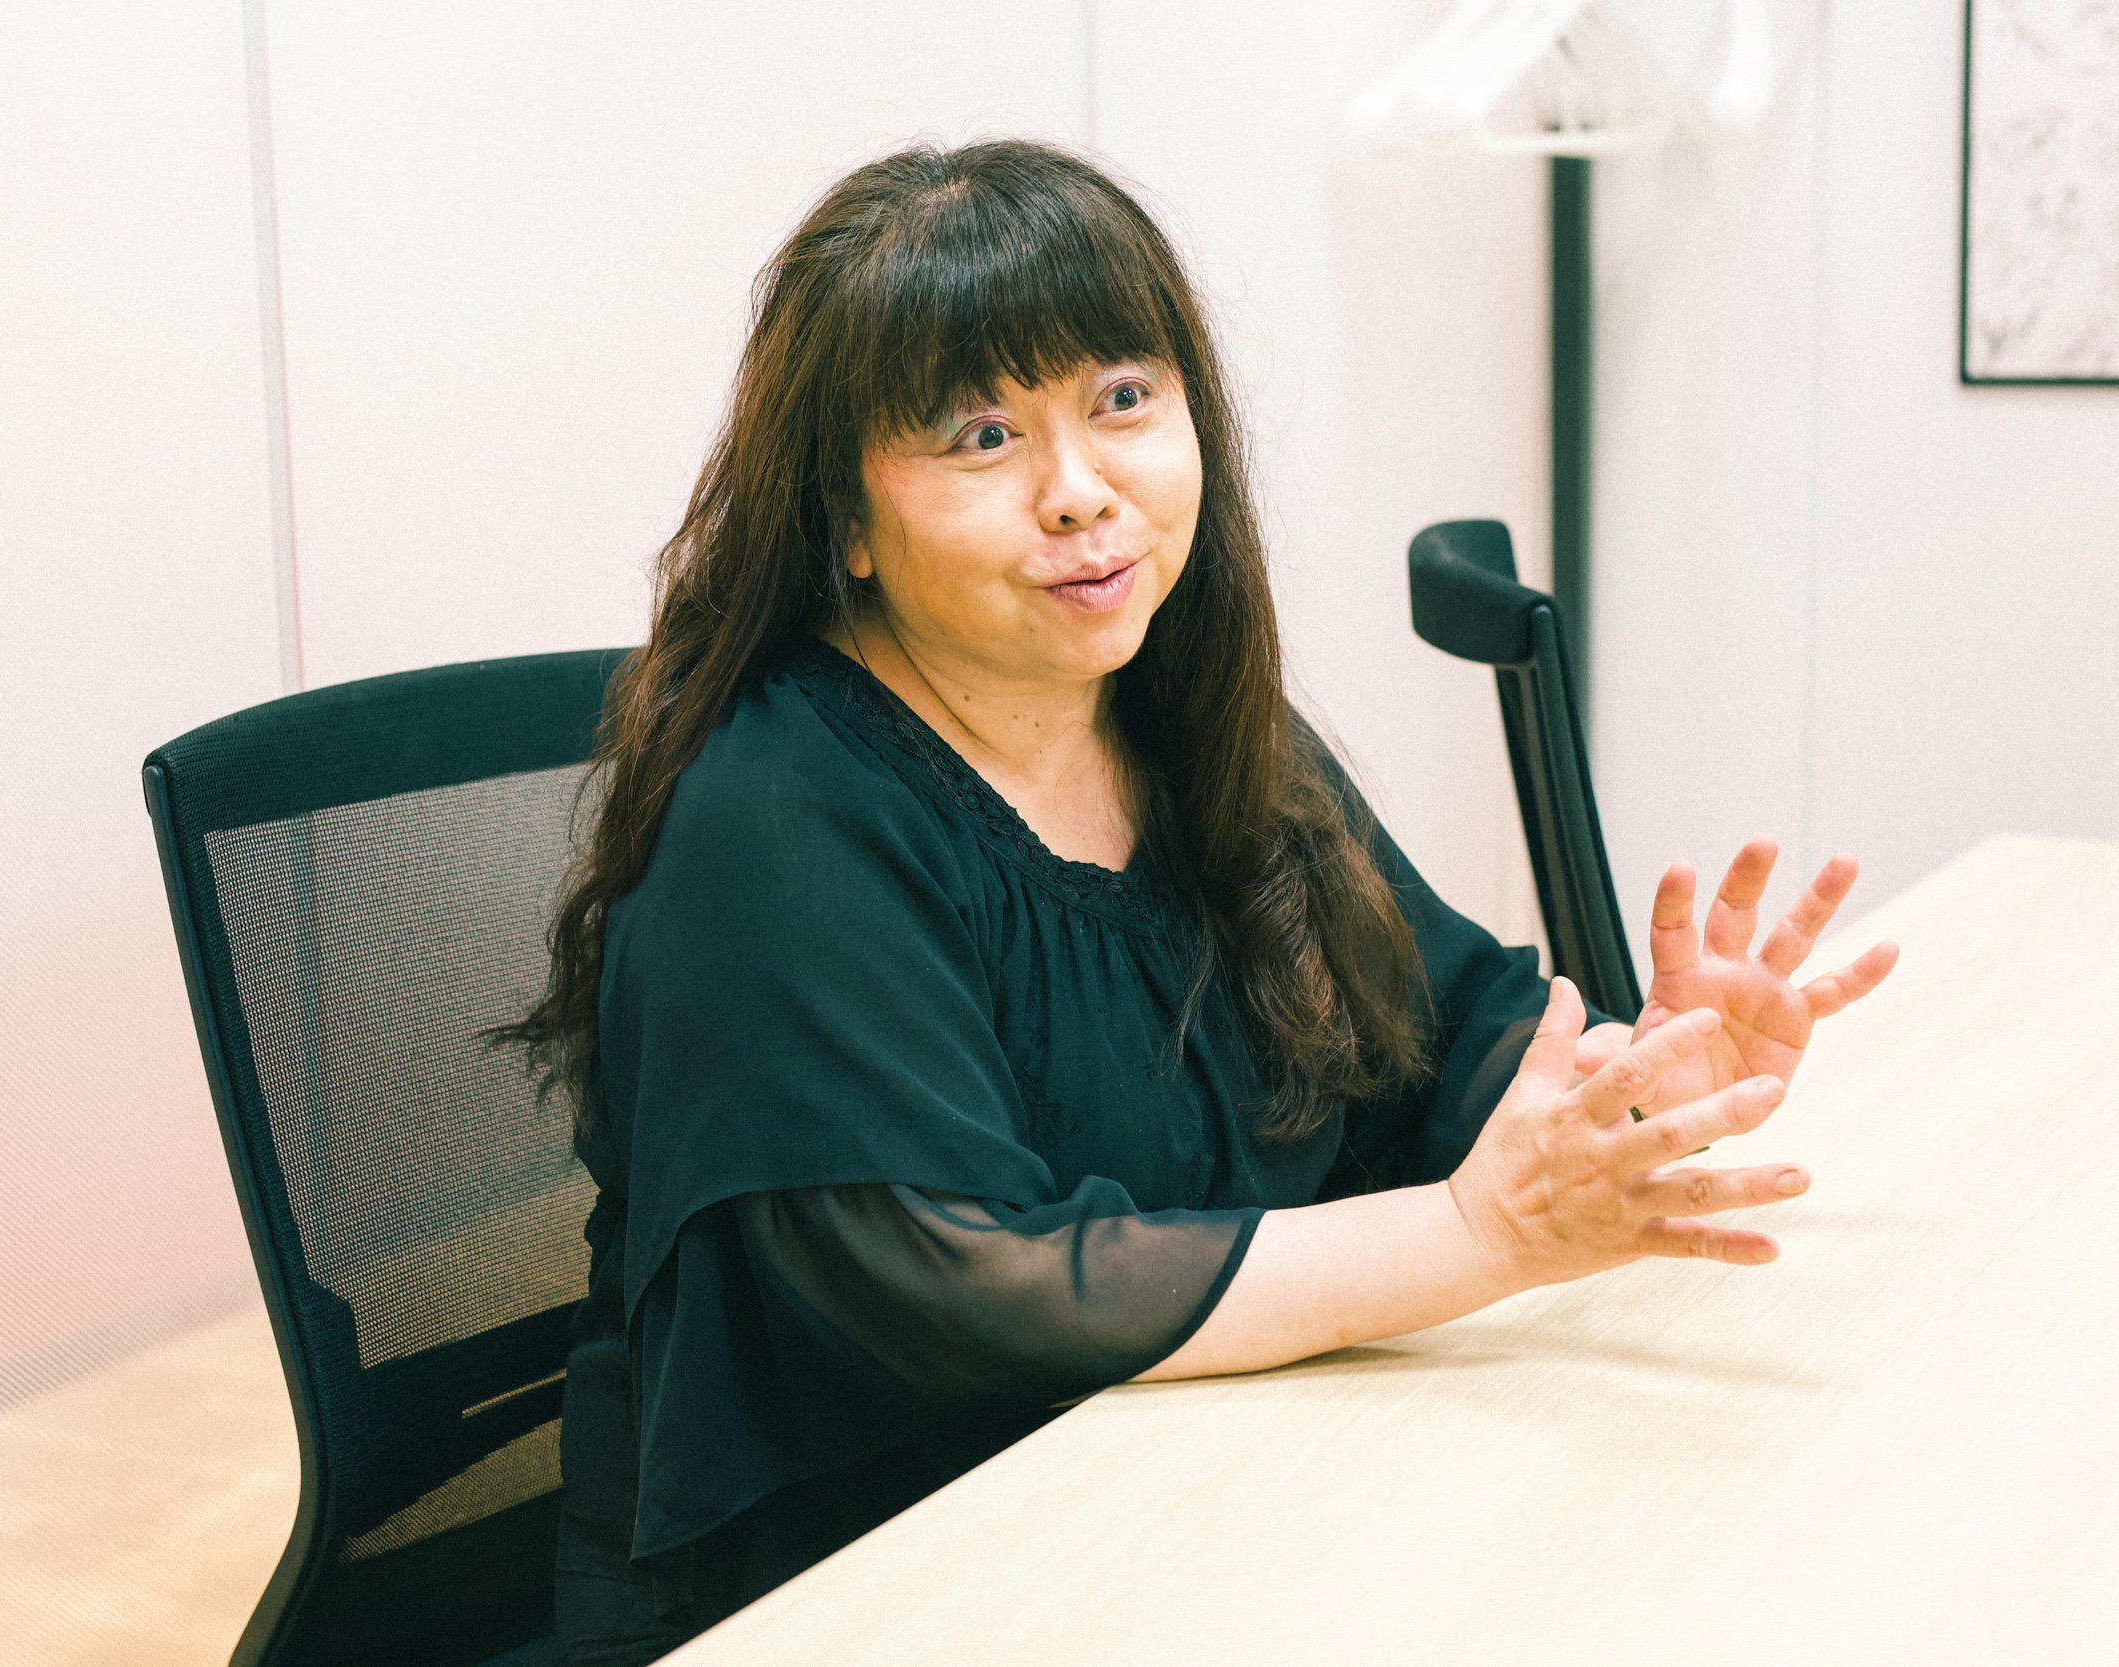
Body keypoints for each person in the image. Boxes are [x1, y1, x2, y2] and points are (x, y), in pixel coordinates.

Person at [498, 138, 1897, 1665]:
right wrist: (1476, 1235)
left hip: (1193, 1501)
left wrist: (1632, 1082)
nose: (1080, 493)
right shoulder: (774, 820)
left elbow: (1436, 1027)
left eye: (1121, 399)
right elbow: (966, 1291)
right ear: (847, 519)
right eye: (982, 436)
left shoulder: (1183, 718)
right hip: (867, 1592)